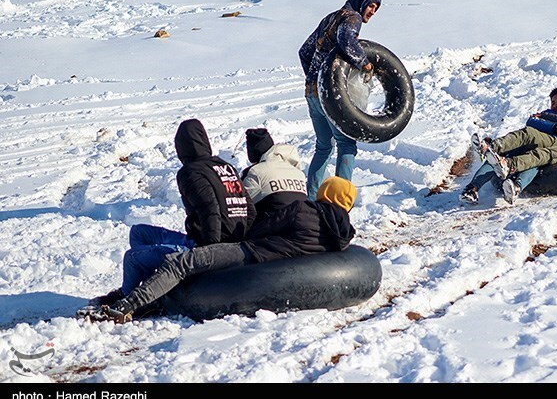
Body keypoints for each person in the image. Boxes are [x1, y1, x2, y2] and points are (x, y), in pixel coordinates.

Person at [84, 176, 358, 324]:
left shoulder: (303, 210)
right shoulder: (342, 235)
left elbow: (261, 228)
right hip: (275, 265)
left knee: (182, 262)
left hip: (249, 253)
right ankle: (145, 301)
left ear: (326, 193)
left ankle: (128, 304)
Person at [81, 119, 256, 310]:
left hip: (206, 246)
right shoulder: (225, 167)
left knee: (132, 258)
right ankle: (154, 285)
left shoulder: (191, 172)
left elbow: (210, 211)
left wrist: (206, 253)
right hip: (224, 242)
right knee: (139, 233)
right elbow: (251, 210)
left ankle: (130, 296)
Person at [298, 0, 381, 199]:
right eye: (371, 6)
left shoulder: (330, 18)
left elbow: (304, 51)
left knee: (324, 147)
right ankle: (339, 203)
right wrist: (365, 64)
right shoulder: (351, 18)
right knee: (346, 144)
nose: (372, 12)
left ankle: (312, 199)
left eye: (376, 8)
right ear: (361, 2)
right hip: (328, 96)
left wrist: (313, 77)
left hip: (311, 93)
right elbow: (347, 41)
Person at [460, 87, 557, 205]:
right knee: (497, 157)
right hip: (526, 144)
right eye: (553, 102)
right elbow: (532, 122)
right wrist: (556, 129)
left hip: (540, 153)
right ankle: (472, 189)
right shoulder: (547, 115)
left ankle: (516, 187)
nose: (555, 105)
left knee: (535, 160)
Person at [240, 127, 308, 216]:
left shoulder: (255, 171)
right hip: (302, 222)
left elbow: (240, 205)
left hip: (275, 226)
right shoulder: (299, 174)